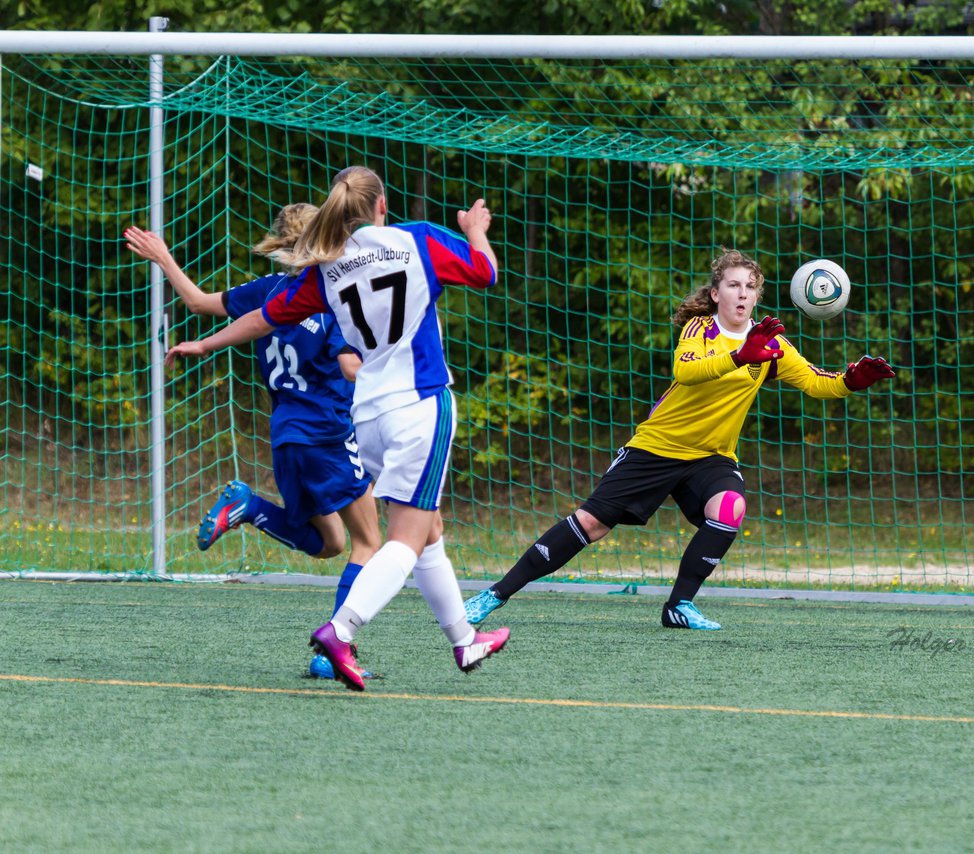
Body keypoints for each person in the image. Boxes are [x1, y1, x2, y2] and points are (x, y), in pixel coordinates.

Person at [164, 166, 509, 691]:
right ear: (382, 205)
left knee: (428, 527)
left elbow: (265, 317)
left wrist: (204, 344)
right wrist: (475, 228)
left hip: (364, 416)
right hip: (418, 403)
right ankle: (341, 631)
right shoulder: (417, 240)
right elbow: (485, 273)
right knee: (404, 539)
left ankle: (464, 639)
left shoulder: (323, 270)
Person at [464, 248, 895, 630]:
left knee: (730, 506)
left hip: (710, 458)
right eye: (733, 285)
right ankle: (496, 593)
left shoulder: (771, 343)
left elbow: (820, 383)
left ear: (758, 296)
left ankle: (679, 606)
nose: (742, 294)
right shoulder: (700, 329)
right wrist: (739, 356)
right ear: (716, 294)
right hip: (657, 447)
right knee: (592, 524)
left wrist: (852, 380)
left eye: (750, 287)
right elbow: (686, 372)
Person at [125, 208, 382, 680]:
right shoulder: (332, 297)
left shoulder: (268, 291)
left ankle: (249, 507)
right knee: (369, 541)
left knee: (331, 543)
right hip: (327, 431)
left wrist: (164, 258)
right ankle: (334, 650)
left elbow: (200, 303)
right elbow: (349, 368)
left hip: (284, 434)